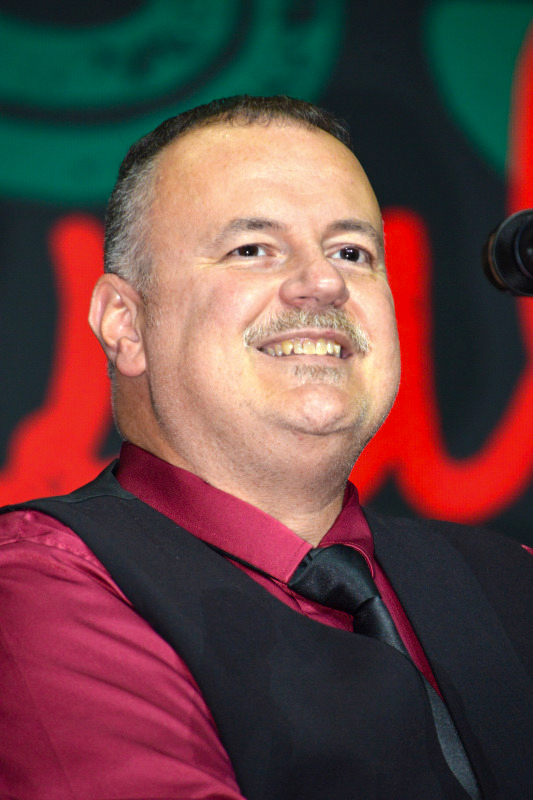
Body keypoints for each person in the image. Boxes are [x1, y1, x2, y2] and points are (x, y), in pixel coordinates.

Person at [1, 95, 532, 800]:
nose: (324, 282)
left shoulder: (509, 580)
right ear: (124, 324)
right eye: (251, 249)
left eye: (351, 252)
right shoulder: (44, 584)